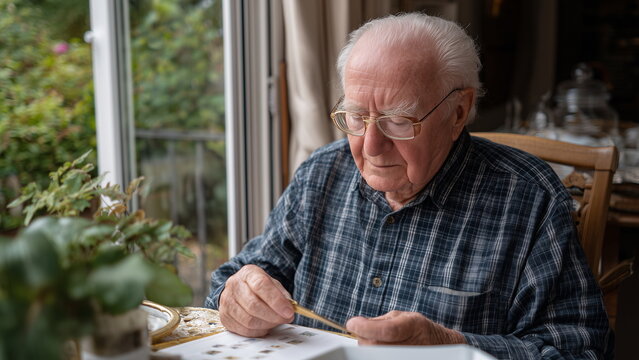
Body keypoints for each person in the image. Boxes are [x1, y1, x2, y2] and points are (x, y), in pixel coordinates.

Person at [205, 13, 612, 358]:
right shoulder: (322, 173)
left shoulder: (528, 199)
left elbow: (584, 347)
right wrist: (237, 297)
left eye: (398, 121)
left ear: (458, 112)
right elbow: (237, 278)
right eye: (356, 116)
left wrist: (452, 346)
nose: (371, 145)